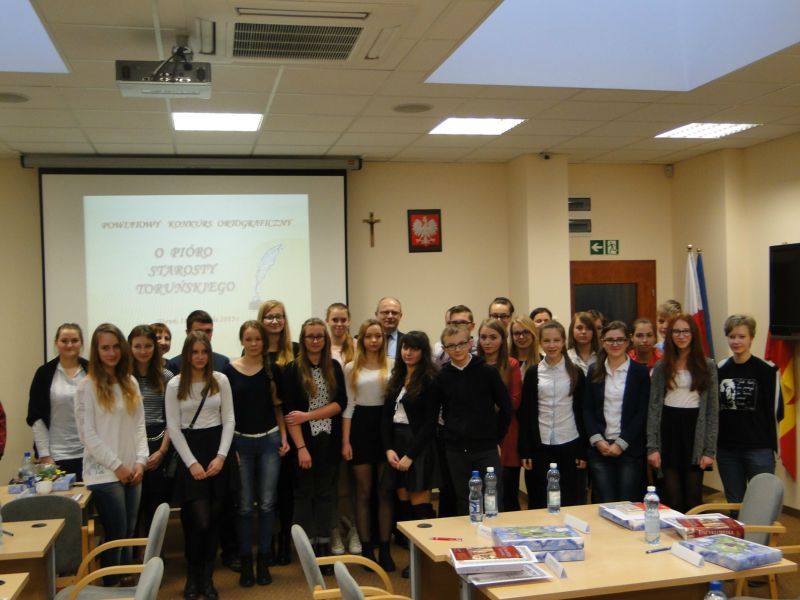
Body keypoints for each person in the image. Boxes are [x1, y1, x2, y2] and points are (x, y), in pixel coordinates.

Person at [166, 331, 236, 600]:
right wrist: (192, 463)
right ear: (186, 354)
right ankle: (192, 574)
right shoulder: (175, 384)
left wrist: (221, 457)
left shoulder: (221, 380)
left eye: (204, 352)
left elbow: (229, 420)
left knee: (215, 519)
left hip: (217, 451)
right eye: (194, 352)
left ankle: (207, 577)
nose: (199, 357)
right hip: (190, 453)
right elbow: (173, 427)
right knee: (199, 521)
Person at [77, 323, 148, 585]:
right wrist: (117, 466)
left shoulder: (130, 382)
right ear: (96, 351)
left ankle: (123, 585)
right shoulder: (86, 386)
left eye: (116, 346)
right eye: (105, 348)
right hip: (104, 473)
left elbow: (139, 426)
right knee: (116, 533)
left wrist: (140, 461)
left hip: (132, 469)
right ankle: (110, 587)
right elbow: (88, 435)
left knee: (128, 531)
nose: (111, 352)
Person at [224, 320, 289, 587]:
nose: (253, 344)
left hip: (269, 442)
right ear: (242, 340)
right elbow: (225, 414)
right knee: (243, 507)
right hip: (240, 444)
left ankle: (263, 561)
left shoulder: (274, 370)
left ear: (264, 341)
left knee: (267, 504)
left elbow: (278, 408)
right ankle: (246, 564)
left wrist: (284, 438)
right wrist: (229, 448)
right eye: (248, 339)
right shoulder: (228, 371)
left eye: (258, 339)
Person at [283, 318, 347, 574]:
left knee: (325, 495)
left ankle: (323, 547)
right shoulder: (292, 369)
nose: (315, 341)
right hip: (304, 443)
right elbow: (290, 414)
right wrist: (301, 448)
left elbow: (340, 403)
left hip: (328, 440)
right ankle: (307, 551)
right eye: (310, 336)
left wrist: (308, 416)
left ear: (325, 339)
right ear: (303, 338)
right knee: (303, 495)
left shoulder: (334, 366)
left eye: (320, 336)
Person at [435, 324, 512, 515]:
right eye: (451, 346)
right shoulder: (442, 376)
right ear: (444, 349)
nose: (457, 349)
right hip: (455, 449)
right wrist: (448, 436)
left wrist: (496, 438)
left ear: (470, 343)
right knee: (465, 500)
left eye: (461, 343)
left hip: (485, 447)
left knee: (493, 497)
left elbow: (506, 408)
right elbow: (438, 412)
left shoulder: (487, 371)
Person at [382, 331, 440, 578]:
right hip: (396, 443)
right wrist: (388, 448)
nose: (408, 352)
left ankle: (427, 560)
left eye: (414, 348)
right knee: (403, 502)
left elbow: (429, 424)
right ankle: (413, 557)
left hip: (418, 446)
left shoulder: (430, 380)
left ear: (423, 352)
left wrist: (411, 456)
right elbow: (385, 417)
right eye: (405, 347)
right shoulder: (396, 377)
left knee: (419, 506)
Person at [647, 314, 718, 513]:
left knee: (693, 497)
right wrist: (652, 447)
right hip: (668, 431)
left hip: (694, 432)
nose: (681, 336)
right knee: (672, 498)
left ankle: (692, 532)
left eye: (686, 331)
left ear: (693, 334)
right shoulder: (662, 366)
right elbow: (654, 408)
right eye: (676, 331)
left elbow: (712, 411)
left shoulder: (707, 365)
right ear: (670, 335)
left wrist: (709, 451)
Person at [341, 319, 395, 570]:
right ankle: (366, 549)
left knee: (385, 492)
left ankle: (385, 548)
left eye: (378, 336)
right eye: (369, 336)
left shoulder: (392, 365)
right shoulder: (350, 367)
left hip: (385, 427)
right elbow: (349, 405)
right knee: (363, 492)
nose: (374, 340)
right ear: (361, 339)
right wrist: (346, 441)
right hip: (360, 427)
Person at [519, 320, 588, 508]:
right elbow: (526, 413)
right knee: (540, 498)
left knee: (570, 498)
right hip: (540, 444)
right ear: (540, 342)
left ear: (564, 341)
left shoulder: (576, 372)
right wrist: (525, 450)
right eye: (547, 341)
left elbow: (582, 412)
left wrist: (583, 450)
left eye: (556, 340)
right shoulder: (533, 373)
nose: (552, 345)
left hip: (570, 441)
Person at [717, 314, 783, 504]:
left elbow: (775, 411)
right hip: (727, 450)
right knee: (735, 503)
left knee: (761, 504)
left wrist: (774, 448)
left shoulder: (767, 370)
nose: (736, 341)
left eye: (742, 336)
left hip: (759, 449)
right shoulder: (720, 369)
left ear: (751, 337)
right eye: (732, 336)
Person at [583, 321, 650, 503]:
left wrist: (621, 443)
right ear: (603, 342)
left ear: (628, 341)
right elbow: (587, 409)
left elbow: (642, 412)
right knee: (605, 501)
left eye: (620, 339)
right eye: (610, 340)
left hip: (629, 448)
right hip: (600, 448)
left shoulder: (639, 372)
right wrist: (597, 440)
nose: (615, 344)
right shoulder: (594, 370)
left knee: (627, 502)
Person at [257, 299, 298, 565]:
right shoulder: (254, 351)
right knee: (267, 491)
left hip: (295, 428)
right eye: (269, 317)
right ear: (261, 321)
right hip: (266, 430)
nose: (275, 321)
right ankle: (268, 541)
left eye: (279, 316)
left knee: (286, 490)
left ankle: (285, 541)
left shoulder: (295, 350)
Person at [128, 325, 174, 542]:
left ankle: (154, 553)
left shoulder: (166, 376)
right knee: (133, 507)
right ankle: (131, 554)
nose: (143, 351)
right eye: (137, 346)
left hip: (159, 442)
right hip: (131, 444)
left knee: (155, 506)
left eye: (148, 346)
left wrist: (162, 452)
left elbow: (172, 420)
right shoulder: (123, 377)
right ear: (129, 347)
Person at [27, 323, 88, 479]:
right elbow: (36, 417)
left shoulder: (92, 370)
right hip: (56, 456)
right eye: (64, 341)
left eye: (74, 340)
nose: (69, 345)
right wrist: (45, 455)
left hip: (90, 454)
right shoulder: (43, 373)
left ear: (81, 342)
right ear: (56, 343)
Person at [477, 318, 523, 511]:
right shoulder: (474, 364)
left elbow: (514, 401)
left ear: (502, 339)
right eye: (483, 337)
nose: (487, 342)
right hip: (479, 432)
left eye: (493, 337)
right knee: (482, 489)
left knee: (507, 490)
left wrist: (485, 407)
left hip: (506, 431)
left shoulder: (511, 364)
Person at [166, 311, 230, 373]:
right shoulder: (173, 365)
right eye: (199, 331)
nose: (204, 335)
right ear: (187, 333)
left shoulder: (223, 363)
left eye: (208, 331)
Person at [567, 312, 599, 376]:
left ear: (593, 332)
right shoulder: (566, 357)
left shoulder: (602, 356)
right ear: (572, 330)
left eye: (588, 328)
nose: (584, 332)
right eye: (579, 328)